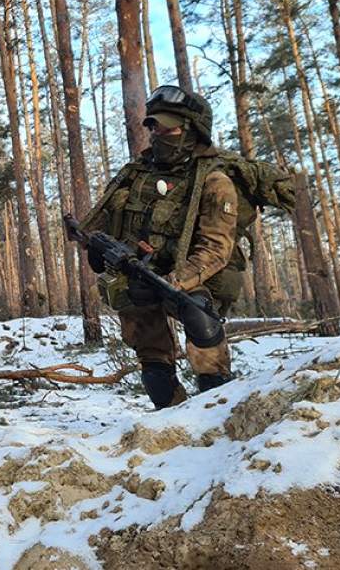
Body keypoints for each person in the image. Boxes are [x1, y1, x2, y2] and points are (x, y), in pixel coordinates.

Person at [80, 85, 245, 409]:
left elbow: (215, 247)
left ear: (193, 130)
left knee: (200, 318)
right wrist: (100, 250)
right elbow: (100, 226)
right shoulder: (135, 175)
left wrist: (174, 284)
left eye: (168, 127)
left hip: (193, 280)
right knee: (151, 352)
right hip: (139, 274)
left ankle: (218, 408)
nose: (157, 133)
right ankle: (170, 416)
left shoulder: (214, 181)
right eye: (154, 126)